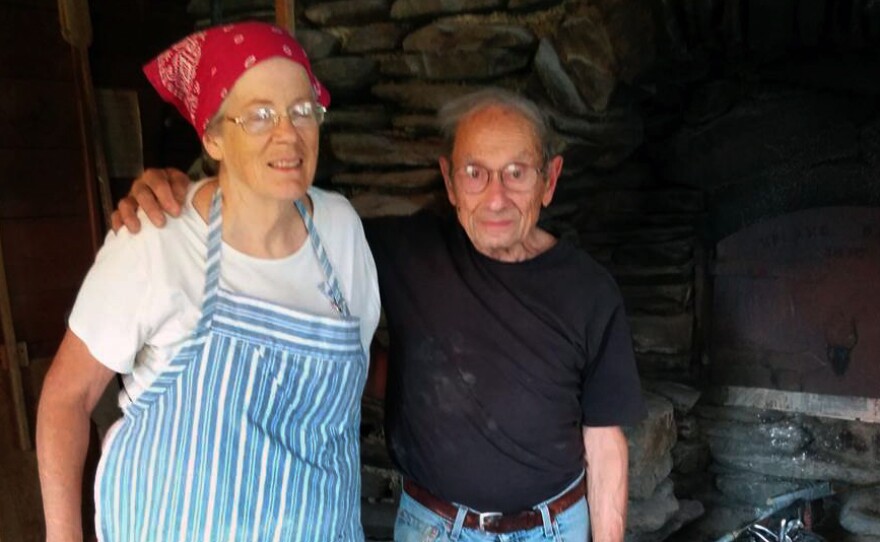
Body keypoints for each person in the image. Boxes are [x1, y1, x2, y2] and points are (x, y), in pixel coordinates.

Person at [114, 88, 647, 542]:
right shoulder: (402, 251)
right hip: (434, 528)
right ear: (449, 180)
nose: (496, 197)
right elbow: (276, 225)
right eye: (475, 172)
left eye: (516, 173)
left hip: (552, 528)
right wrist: (185, 189)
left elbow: (604, 445)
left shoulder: (589, 292)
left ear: (550, 179)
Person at [37, 21, 380, 542]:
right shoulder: (156, 236)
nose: (287, 132)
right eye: (260, 115)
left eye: (302, 110)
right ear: (213, 137)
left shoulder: (341, 231)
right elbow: (66, 398)